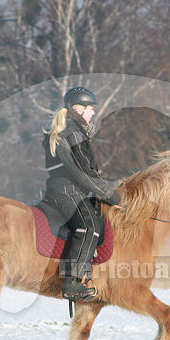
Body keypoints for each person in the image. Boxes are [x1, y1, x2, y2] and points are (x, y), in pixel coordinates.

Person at [42, 86, 121, 304]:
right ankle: (74, 281)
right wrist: (109, 194)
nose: (93, 112)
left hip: (71, 188)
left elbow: (88, 171)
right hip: (68, 190)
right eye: (91, 108)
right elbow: (81, 173)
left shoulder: (73, 130)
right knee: (88, 226)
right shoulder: (72, 132)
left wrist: (111, 185)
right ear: (79, 109)